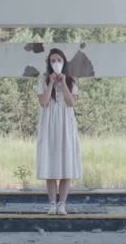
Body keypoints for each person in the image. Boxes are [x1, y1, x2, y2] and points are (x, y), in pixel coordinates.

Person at [35, 48, 82, 215]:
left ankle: (62, 204)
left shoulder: (71, 81)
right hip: (49, 123)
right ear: (49, 63)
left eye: (59, 60)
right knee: (50, 163)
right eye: (53, 60)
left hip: (66, 125)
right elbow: (44, 102)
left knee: (66, 163)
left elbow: (71, 103)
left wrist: (62, 83)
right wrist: (50, 83)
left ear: (64, 62)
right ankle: (52, 203)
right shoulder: (43, 79)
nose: (56, 63)